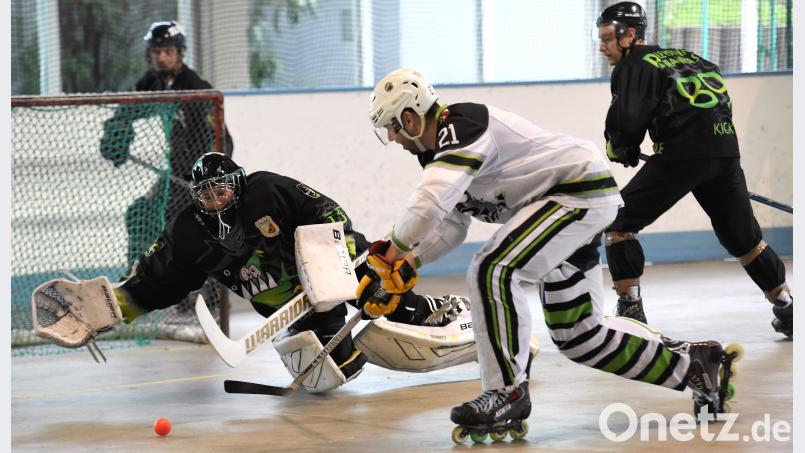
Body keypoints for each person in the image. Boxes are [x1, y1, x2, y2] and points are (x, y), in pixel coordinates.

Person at [361, 68, 740, 439]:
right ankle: (695, 367)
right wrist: (409, 263)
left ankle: (506, 392)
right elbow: (450, 225)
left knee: (492, 268)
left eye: (392, 127)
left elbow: (429, 202)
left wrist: (390, 254)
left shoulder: (460, 127)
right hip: (566, 205)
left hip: (574, 192)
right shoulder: (439, 153)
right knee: (579, 335)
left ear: (410, 118)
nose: (392, 137)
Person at [34, 153, 474, 394]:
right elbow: (158, 280)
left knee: (377, 294)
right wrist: (115, 307)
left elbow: (328, 211)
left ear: (238, 185)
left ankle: (432, 311)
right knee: (340, 367)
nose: (216, 200)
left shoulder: (268, 189)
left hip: (333, 269)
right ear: (196, 198)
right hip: (296, 306)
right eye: (206, 195)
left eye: (222, 190)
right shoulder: (187, 233)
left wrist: (337, 258)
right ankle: (331, 330)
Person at [594, 2, 792, 338]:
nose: (602, 47)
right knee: (744, 238)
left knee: (618, 222)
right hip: (725, 152)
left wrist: (621, 147)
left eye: (607, 38)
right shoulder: (696, 58)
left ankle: (630, 312)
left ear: (629, 35)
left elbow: (626, 123)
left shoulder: (634, 65)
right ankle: (787, 307)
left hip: (680, 156)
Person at [100, 20, 234, 268]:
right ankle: (141, 275)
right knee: (141, 213)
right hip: (176, 173)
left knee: (185, 229)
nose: (161, 57)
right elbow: (125, 111)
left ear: (179, 53)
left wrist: (207, 181)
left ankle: (200, 281)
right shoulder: (152, 82)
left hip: (201, 178)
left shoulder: (196, 89)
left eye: (168, 51)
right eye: (156, 52)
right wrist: (116, 137)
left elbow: (221, 142)